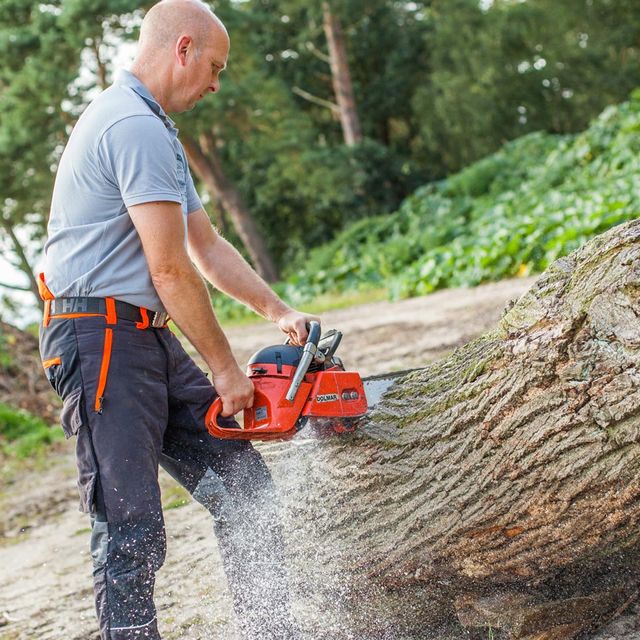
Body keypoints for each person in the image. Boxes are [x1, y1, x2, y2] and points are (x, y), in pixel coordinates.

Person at [38, 1, 317, 638]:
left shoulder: (156, 130)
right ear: (182, 48)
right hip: (99, 335)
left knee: (245, 490)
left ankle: (268, 630)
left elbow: (207, 246)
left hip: (144, 336)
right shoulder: (128, 124)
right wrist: (224, 368)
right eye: (214, 66)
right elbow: (169, 270)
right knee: (130, 526)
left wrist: (277, 311)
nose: (217, 83)